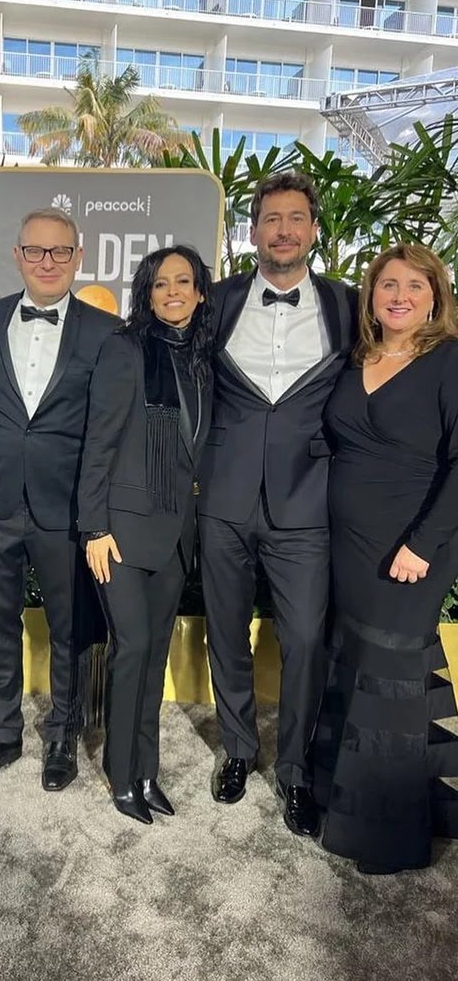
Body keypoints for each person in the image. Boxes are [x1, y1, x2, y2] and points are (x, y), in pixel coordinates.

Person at [198, 171, 357, 837]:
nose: (283, 230)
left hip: (308, 500)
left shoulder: (350, 305)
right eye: (271, 219)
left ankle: (294, 771)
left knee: (306, 641)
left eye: (296, 218)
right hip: (224, 495)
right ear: (253, 231)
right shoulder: (218, 300)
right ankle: (238, 749)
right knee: (226, 631)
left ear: (313, 229)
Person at [0, 207, 118, 792]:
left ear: (78, 257)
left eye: (60, 251)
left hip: (66, 505)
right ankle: (0, 736)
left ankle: (62, 737)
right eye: (35, 250)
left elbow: (107, 426)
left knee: (69, 628)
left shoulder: (105, 331)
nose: (47, 262)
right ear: (18, 255)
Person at [314, 244, 458, 873]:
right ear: (370, 297)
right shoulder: (358, 358)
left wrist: (423, 544)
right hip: (350, 546)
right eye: (388, 285)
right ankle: (348, 799)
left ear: (436, 297)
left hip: (415, 546)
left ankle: (388, 834)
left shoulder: (450, 361)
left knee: (391, 674)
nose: (400, 296)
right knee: (356, 664)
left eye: (415, 286)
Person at [78, 245, 213, 824]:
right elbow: (99, 442)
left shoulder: (203, 359)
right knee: (132, 647)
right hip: (121, 532)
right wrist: (94, 527)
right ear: (147, 294)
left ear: (200, 292)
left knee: (155, 652)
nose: (172, 292)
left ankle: (147, 769)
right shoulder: (125, 349)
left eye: (183, 282)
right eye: (161, 284)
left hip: (176, 533)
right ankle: (121, 772)